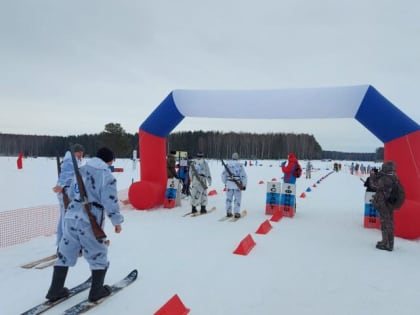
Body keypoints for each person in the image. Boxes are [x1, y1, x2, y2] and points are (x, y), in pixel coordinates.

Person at [45, 147, 124, 303]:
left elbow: (72, 194)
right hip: (90, 219)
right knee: (98, 253)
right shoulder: (106, 176)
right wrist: (117, 221)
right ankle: (97, 291)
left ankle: (55, 290)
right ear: (109, 161)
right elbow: (110, 201)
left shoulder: (79, 170)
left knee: (65, 252)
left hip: (71, 216)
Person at [52, 143, 84, 246]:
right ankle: (66, 243)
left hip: (68, 193)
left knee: (64, 217)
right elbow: (65, 175)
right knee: (67, 218)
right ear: (76, 152)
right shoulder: (70, 161)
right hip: (66, 193)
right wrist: (60, 185)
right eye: (80, 153)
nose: (81, 156)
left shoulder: (73, 160)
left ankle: (61, 241)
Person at [369, 161, 399, 251]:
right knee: (387, 222)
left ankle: (388, 245)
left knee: (386, 223)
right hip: (389, 203)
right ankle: (385, 241)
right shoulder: (394, 177)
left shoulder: (385, 179)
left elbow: (374, 185)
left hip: (384, 203)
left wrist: (372, 175)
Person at [221, 152, 247, 218]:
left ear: (232, 157)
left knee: (228, 199)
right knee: (237, 199)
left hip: (229, 185)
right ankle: (236, 213)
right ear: (238, 158)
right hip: (237, 186)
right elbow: (243, 176)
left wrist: (225, 182)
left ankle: (228, 212)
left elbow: (223, 175)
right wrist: (244, 185)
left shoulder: (227, 165)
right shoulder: (240, 165)